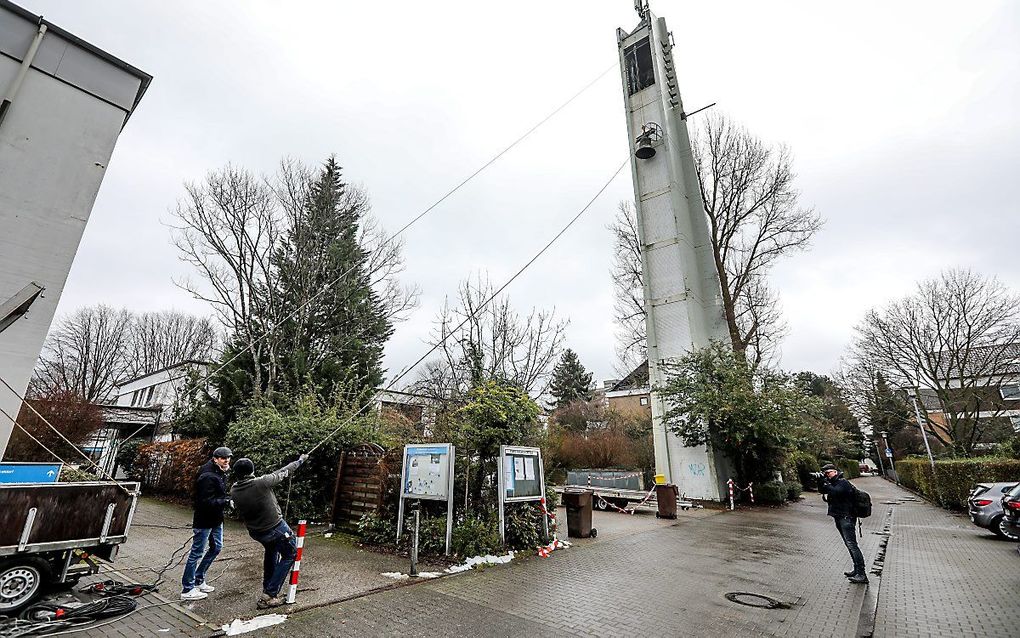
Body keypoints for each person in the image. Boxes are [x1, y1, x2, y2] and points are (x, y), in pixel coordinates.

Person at [230, 453, 309, 609]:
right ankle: (270, 594)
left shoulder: (234, 489)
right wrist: (300, 461)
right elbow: (283, 472)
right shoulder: (261, 483)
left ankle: (268, 588)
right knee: (291, 553)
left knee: (271, 551)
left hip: (257, 533)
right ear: (252, 471)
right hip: (275, 528)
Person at [181, 446, 232, 601]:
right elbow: (204, 501)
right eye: (223, 458)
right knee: (196, 553)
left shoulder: (219, 472)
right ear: (215, 459)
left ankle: (199, 579)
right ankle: (187, 588)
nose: (227, 461)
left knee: (216, 547)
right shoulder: (208, 475)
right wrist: (226, 502)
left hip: (216, 519)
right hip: (204, 520)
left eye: (228, 458)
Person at [818, 463, 868, 584]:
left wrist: (826, 483)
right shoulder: (833, 483)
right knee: (848, 543)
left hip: (846, 518)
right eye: (825, 474)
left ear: (835, 471)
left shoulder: (843, 483)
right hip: (839, 517)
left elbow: (835, 492)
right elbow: (822, 490)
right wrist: (820, 481)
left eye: (828, 473)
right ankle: (856, 570)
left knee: (852, 544)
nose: (827, 475)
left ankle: (862, 574)